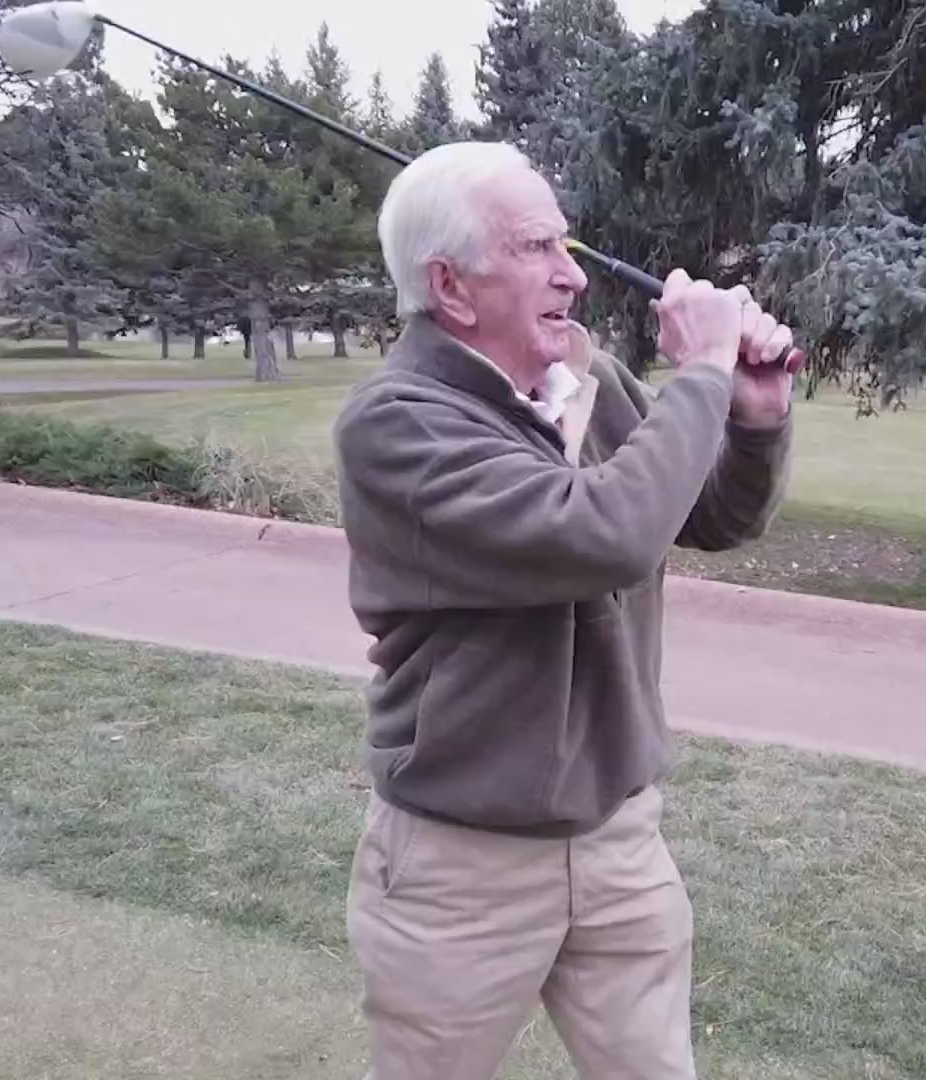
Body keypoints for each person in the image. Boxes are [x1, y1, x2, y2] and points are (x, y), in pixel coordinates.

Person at [331, 140, 796, 1080]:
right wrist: (703, 370)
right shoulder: (397, 425)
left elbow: (710, 515)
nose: (570, 275)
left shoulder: (590, 384)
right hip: (462, 867)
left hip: (619, 841)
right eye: (538, 247)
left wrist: (751, 416)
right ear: (451, 287)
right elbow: (603, 536)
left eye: (567, 244)